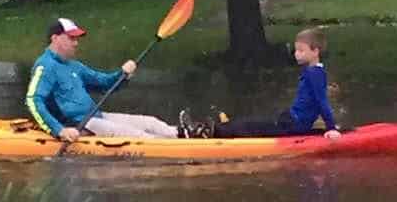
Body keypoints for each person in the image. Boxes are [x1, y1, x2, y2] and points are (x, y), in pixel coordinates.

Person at [26, 18, 189, 142]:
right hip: (78, 126)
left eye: (77, 39)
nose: (76, 43)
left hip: (96, 118)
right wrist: (60, 131)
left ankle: (186, 133)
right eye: (71, 38)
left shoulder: (74, 66)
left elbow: (104, 83)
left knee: (152, 123)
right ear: (55, 39)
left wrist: (123, 74)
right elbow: (33, 101)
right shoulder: (45, 66)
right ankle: (182, 147)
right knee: (139, 136)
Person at [205, 28, 343, 139]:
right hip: (290, 120)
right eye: (296, 50)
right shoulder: (314, 71)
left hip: (293, 125)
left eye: (301, 50)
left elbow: (322, 101)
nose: (296, 54)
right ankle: (220, 128)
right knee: (254, 123)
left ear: (315, 52)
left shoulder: (315, 74)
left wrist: (331, 128)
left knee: (252, 126)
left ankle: (213, 131)